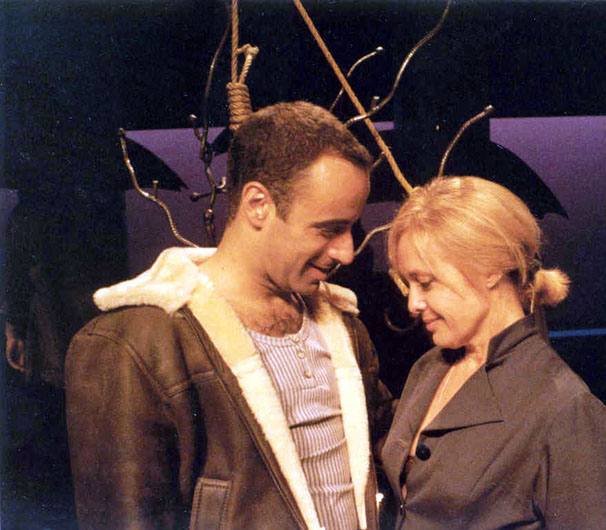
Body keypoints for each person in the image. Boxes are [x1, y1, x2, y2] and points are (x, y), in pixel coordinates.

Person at [65, 101, 393, 530]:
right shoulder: (133, 345)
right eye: (329, 229)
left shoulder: (344, 326)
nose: (347, 252)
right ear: (258, 204)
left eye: (351, 228)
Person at [380, 176, 606, 529]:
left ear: (491, 268)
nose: (413, 303)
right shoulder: (428, 368)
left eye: (426, 283)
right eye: (408, 284)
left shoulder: (565, 408)